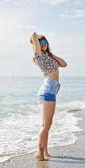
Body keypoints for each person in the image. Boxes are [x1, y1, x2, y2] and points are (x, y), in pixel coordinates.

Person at [29, 31, 67, 161]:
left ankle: (45, 152)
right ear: (37, 46)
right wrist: (37, 38)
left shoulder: (48, 56)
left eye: (45, 42)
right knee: (46, 125)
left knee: (48, 125)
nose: (43, 44)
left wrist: (50, 53)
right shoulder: (38, 55)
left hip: (51, 90)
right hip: (47, 91)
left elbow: (64, 64)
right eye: (41, 43)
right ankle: (39, 153)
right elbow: (33, 36)